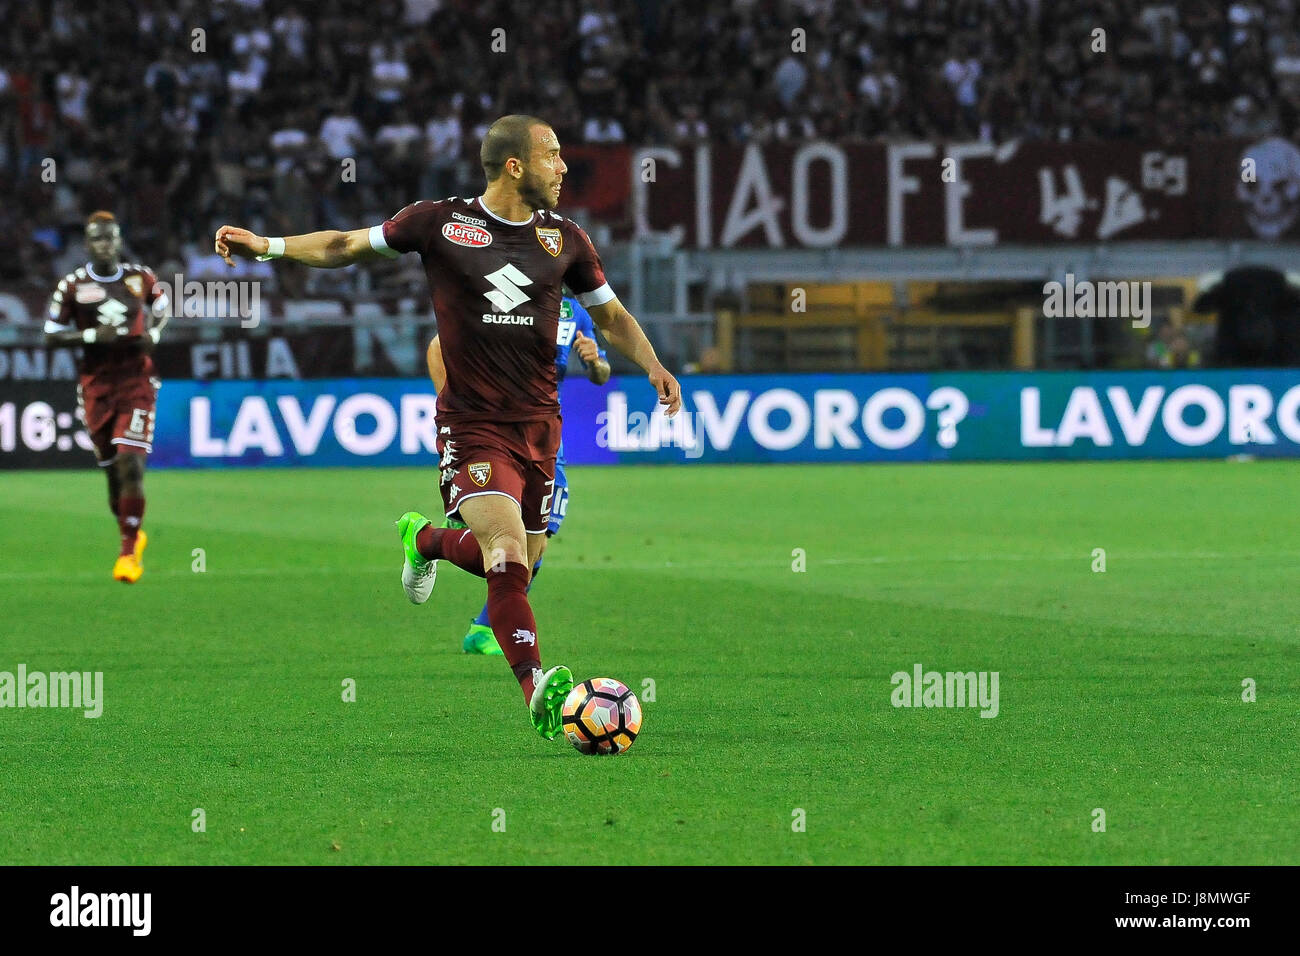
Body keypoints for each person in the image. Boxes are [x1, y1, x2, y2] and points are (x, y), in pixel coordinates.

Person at [214, 114, 682, 741]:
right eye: (553, 156)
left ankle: (425, 540)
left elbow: (613, 317)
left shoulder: (566, 241)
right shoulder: (437, 223)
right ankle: (538, 691)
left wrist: (653, 366)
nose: (564, 167)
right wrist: (268, 248)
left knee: (523, 560)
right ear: (515, 165)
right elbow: (345, 246)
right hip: (473, 424)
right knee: (508, 552)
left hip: (541, 428)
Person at [427, 294, 610, 655]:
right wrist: (451, 414)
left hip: (545, 435)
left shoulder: (575, 313)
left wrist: (594, 361)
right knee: (504, 546)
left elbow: (602, 374)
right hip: (493, 430)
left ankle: (482, 626)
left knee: (536, 545)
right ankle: (438, 540)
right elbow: (438, 347)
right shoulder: (506, 299)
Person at [44, 212, 170, 583]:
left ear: (119, 240)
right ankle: (131, 530)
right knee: (114, 473)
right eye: (98, 239)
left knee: (131, 464)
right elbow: (51, 334)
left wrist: (156, 333)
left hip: (136, 382)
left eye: (112, 238)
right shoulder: (73, 285)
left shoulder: (140, 277)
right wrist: (88, 337)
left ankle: (128, 553)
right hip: (97, 387)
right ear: (88, 244)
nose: (106, 244)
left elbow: (163, 309)